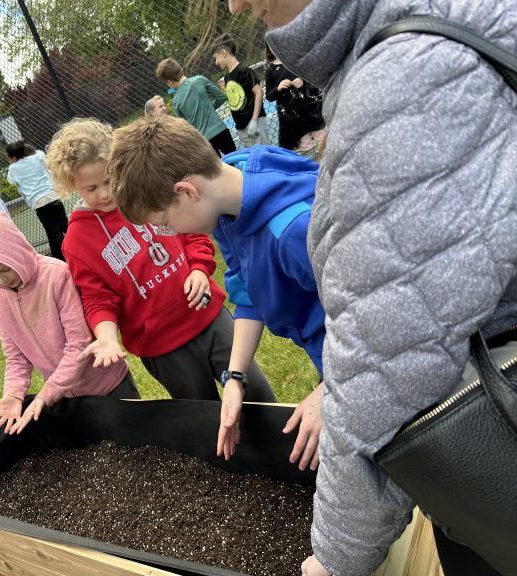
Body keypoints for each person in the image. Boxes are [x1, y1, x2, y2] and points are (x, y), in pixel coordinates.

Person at [221, 0, 517, 575]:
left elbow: (385, 368)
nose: (234, 4)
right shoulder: (435, 22)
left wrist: (333, 559)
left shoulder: (397, 84)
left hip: (492, 431)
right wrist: (237, 375)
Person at [108, 114, 326, 471]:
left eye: (164, 224)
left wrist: (329, 390)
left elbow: (374, 321)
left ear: (186, 191)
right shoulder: (228, 206)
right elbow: (248, 292)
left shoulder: (294, 232)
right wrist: (235, 378)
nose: (168, 233)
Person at [45, 118, 275, 403]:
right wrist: (105, 337)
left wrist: (200, 270)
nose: (105, 193)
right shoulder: (77, 241)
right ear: (72, 185)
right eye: (91, 188)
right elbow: (97, 298)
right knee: (204, 415)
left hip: (207, 315)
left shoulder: (146, 192)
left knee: (257, 394)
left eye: (109, 180)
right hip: (163, 346)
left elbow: (193, 228)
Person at [0, 209, 139, 434]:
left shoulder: (57, 276)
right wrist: (13, 393)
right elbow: (15, 356)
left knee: (137, 437)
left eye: (4, 269)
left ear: (16, 251)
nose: (0, 280)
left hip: (108, 384)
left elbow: (79, 343)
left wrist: (49, 391)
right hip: (67, 398)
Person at [155, 58, 237, 156]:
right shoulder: (200, 79)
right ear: (180, 69)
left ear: (169, 81)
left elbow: (184, 125)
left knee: (218, 170)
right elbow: (221, 97)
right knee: (237, 160)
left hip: (204, 141)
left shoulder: (175, 101)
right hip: (221, 130)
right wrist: (209, 107)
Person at [5, 140, 69, 261]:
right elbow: (40, 154)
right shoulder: (37, 157)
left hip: (38, 203)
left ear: (13, 157)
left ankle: (66, 254)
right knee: (63, 225)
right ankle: (61, 255)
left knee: (54, 230)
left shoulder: (13, 169)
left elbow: (11, 181)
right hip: (52, 196)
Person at [211, 33, 271, 148]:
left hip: (255, 122)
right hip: (242, 127)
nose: (216, 62)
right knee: (254, 158)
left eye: (216, 58)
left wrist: (254, 120)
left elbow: (258, 92)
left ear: (223, 53)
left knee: (266, 154)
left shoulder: (244, 71)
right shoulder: (228, 77)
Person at [264, 45, 325, 157]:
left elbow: (312, 77)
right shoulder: (270, 70)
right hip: (292, 116)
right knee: (305, 144)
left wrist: (303, 81)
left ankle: (329, 163)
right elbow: (269, 96)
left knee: (321, 136)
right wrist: (278, 88)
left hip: (310, 108)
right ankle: (312, 169)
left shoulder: (295, 60)